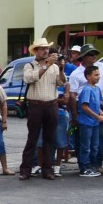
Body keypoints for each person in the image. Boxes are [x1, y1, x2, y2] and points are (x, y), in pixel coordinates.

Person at [18, 38, 66, 180]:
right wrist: (46, 65)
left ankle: (47, 169)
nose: (45, 51)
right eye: (42, 49)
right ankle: (25, 169)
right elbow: (30, 78)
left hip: (51, 104)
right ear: (36, 51)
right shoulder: (29, 66)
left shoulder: (54, 67)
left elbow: (61, 82)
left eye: (47, 48)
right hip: (35, 105)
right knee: (32, 138)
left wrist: (61, 68)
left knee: (49, 139)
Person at [77, 66, 103, 178]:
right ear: (88, 76)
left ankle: (92, 165)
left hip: (95, 122)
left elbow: (97, 105)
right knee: (86, 146)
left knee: (95, 146)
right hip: (86, 122)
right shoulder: (87, 89)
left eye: (99, 74)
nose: (98, 77)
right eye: (96, 75)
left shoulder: (97, 89)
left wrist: (102, 114)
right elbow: (84, 106)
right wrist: (97, 116)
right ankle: (84, 167)